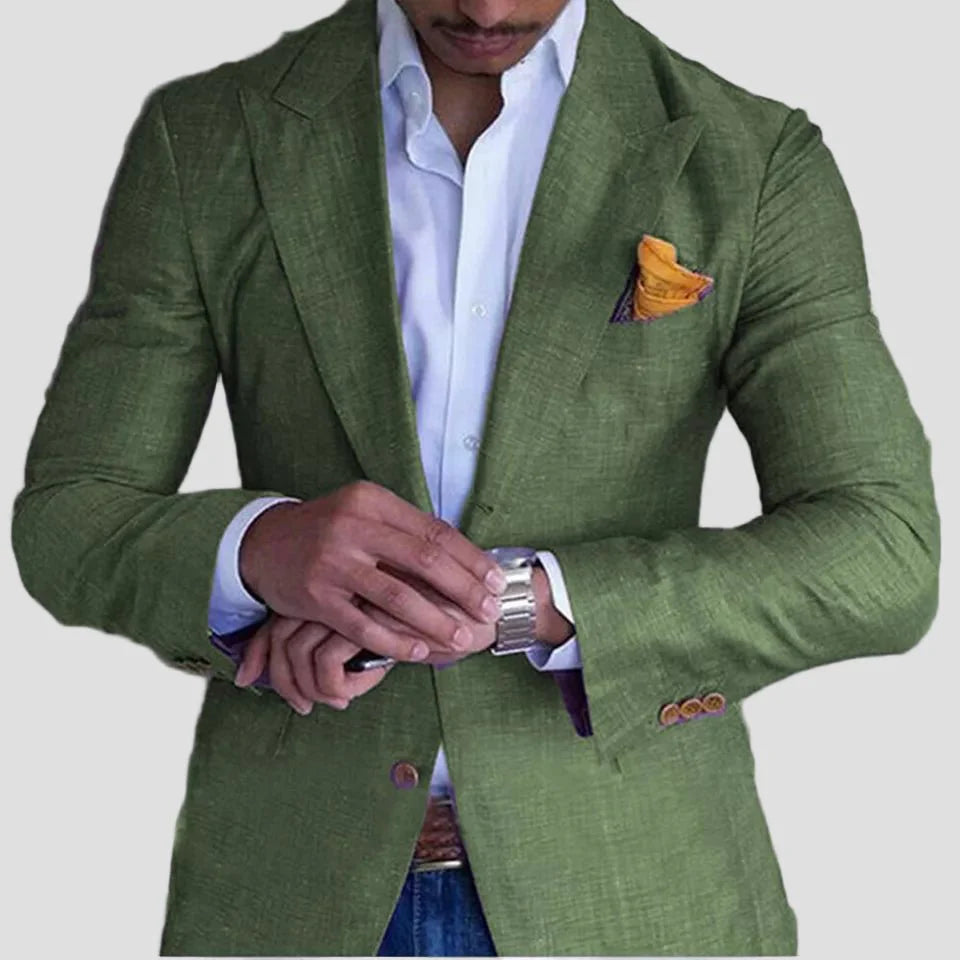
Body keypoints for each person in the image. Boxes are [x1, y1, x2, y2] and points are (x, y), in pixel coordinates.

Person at [11, 0, 940, 954]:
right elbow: (70, 516)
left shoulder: (753, 156)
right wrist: (258, 553)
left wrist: (525, 603)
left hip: (637, 899)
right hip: (288, 898)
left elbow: (884, 549)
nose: (487, 9)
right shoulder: (211, 136)